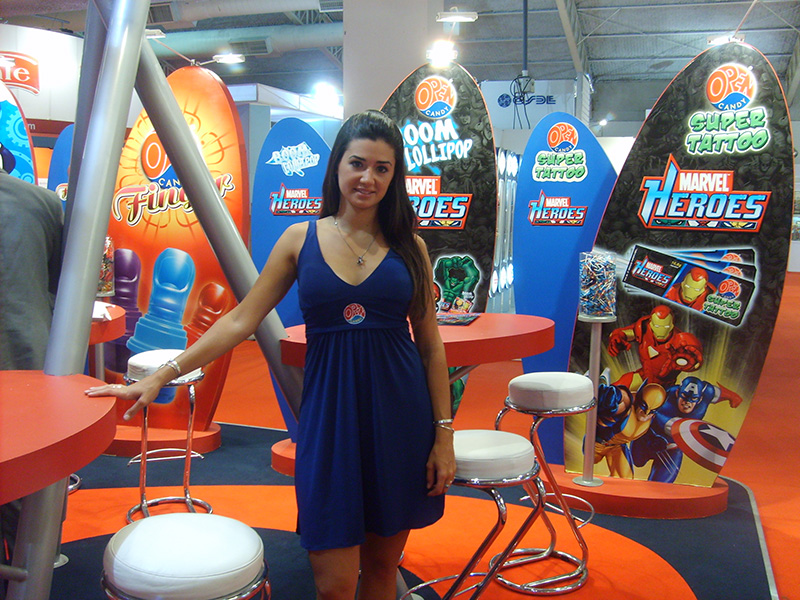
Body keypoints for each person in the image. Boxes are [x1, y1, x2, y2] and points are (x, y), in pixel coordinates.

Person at [86, 110, 456, 600]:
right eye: (357, 163)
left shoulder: (411, 247)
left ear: (394, 177)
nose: (368, 177)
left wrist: (444, 435)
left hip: (399, 419)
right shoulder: (300, 240)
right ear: (338, 167)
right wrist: (166, 372)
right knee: (333, 585)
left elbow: (430, 346)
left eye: (382, 168)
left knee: (383, 570)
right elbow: (241, 319)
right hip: (329, 420)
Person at [0, 158, 64, 600]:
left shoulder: (42, 203)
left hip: (25, 353)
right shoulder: (42, 202)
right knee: (26, 477)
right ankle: (30, 570)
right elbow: (59, 285)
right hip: (26, 354)